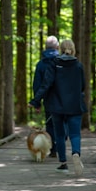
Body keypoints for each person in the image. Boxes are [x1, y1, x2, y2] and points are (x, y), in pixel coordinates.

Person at [29, 39, 87, 176]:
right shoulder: (78, 66)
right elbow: (83, 86)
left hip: (57, 106)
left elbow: (46, 84)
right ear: (73, 49)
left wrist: (35, 100)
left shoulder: (54, 65)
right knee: (75, 134)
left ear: (60, 49)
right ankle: (76, 153)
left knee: (60, 135)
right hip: (75, 105)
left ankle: (63, 164)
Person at [32, 35, 59, 157]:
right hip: (63, 98)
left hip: (48, 99)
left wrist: (37, 103)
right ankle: (59, 146)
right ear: (57, 47)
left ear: (45, 48)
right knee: (62, 122)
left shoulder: (41, 64)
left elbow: (37, 84)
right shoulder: (63, 62)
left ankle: (53, 148)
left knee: (50, 124)